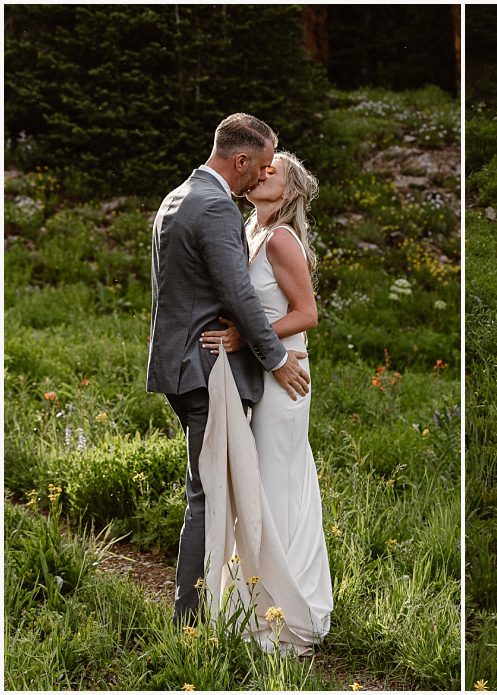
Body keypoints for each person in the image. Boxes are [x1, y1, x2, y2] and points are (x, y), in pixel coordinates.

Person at [147, 113, 310, 626]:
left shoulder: (179, 196)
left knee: (210, 489)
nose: (261, 176)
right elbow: (238, 297)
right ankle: (191, 621)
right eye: (260, 167)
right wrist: (278, 359)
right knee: (209, 496)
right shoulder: (217, 207)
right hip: (206, 366)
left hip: (178, 362)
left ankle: (216, 606)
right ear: (240, 160)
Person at [201, 151, 333, 654]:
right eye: (259, 168)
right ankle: (257, 600)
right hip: (264, 373)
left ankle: (284, 613)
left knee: (275, 490)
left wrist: (246, 339)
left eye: (271, 171)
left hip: (285, 378)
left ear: (290, 190)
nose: (260, 173)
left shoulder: (280, 238)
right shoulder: (250, 230)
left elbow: (307, 314)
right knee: (267, 487)